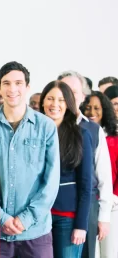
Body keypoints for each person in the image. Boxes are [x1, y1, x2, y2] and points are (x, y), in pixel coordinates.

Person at [0, 61, 60, 258]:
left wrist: (25, 219)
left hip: (36, 232)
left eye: (18, 83)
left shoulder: (46, 127)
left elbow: (50, 182)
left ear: (27, 87)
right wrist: (1, 218)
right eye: (6, 83)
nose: (12, 89)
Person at [58, 71, 113, 258]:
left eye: (73, 92)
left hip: (87, 207)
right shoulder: (46, 125)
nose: (67, 97)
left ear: (82, 97)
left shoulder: (92, 129)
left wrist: (104, 217)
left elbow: (104, 175)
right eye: (63, 91)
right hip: (56, 208)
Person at [40, 81, 93, 258]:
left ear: (68, 104)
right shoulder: (34, 132)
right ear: (42, 102)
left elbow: (86, 185)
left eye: (61, 100)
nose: (55, 104)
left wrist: (81, 225)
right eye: (50, 98)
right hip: (37, 216)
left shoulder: (81, 135)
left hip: (67, 218)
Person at [81, 91, 118, 258]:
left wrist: (113, 197)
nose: (92, 112)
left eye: (97, 108)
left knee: (109, 251)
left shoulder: (114, 138)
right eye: (88, 108)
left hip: (113, 204)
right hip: (92, 202)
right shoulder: (83, 133)